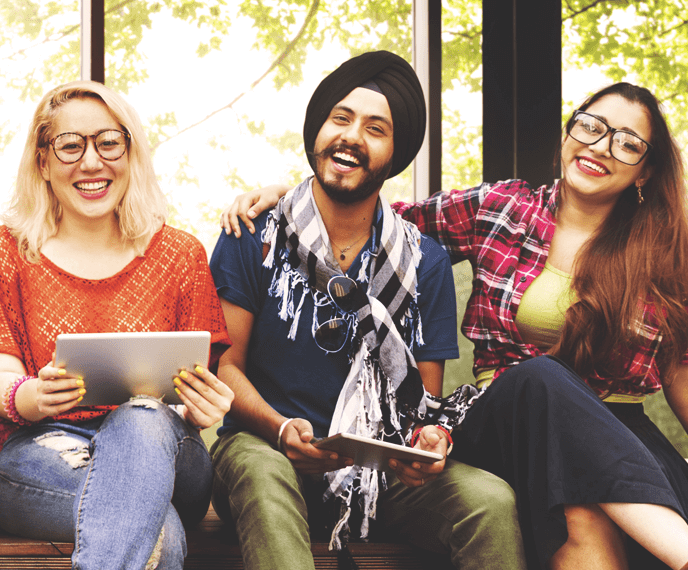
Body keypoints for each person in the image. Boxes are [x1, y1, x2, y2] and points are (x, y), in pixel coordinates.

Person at [224, 82, 688, 570]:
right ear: (570, 131)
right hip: (504, 416)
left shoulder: (680, 259)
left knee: (580, 510)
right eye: (590, 126)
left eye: (627, 143)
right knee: (540, 376)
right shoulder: (501, 209)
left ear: (646, 169)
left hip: (618, 438)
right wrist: (291, 197)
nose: (600, 147)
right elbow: (374, 216)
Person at [206, 51, 524, 570]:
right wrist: (283, 429)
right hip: (263, 449)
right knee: (263, 474)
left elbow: (421, 402)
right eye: (340, 118)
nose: (352, 136)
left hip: (379, 471)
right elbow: (225, 368)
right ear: (318, 131)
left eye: (376, 128)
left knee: (489, 502)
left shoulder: (424, 263)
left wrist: (430, 441)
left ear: (394, 153)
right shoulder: (255, 237)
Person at [0, 79, 235, 569]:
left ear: (130, 153)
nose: (91, 163)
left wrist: (203, 408)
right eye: (70, 146)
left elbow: (198, 391)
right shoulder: (2, 254)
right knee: (162, 531)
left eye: (108, 142)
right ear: (43, 162)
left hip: (169, 453)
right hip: (36, 453)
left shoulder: (181, 255)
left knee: (141, 415)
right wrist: (29, 396)